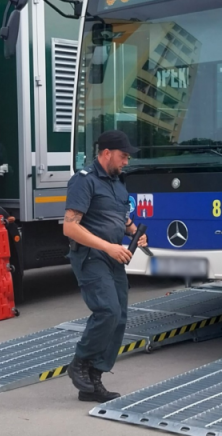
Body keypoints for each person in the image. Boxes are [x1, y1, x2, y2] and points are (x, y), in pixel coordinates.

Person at [63, 130, 148, 403]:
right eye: (123, 156)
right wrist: (108, 247)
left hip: (114, 258)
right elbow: (70, 227)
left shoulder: (118, 183)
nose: (126, 162)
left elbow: (122, 217)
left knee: (120, 317)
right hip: (91, 257)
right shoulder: (84, 181)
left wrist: (135, 231)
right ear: (106, 153)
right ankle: (79, 363)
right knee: (107, 311)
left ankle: (92, 380)